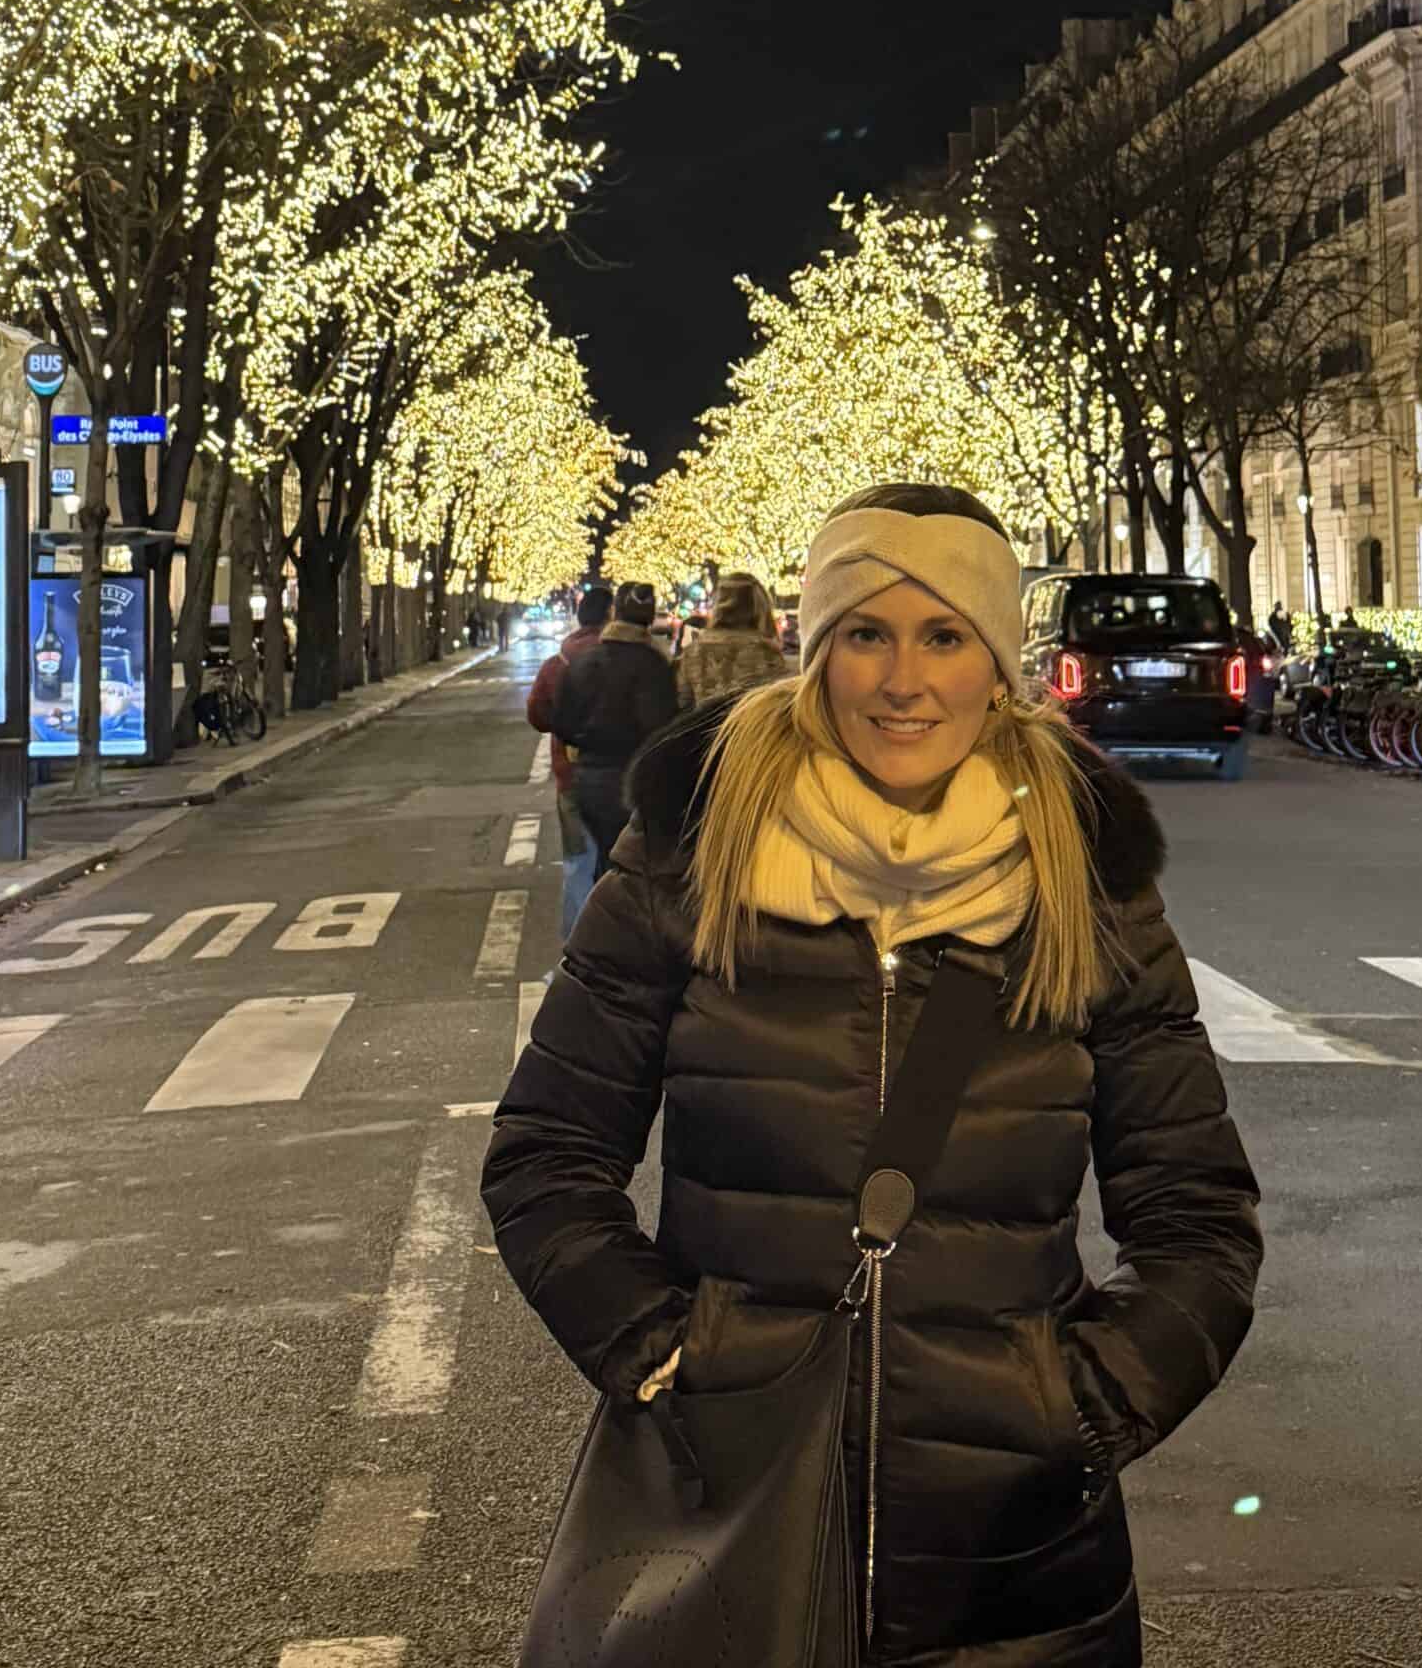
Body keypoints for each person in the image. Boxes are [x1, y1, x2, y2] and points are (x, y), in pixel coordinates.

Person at [485, 483, 1263, 1668]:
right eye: (867, 633)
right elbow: (546, 1153)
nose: (906, 681)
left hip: (1013, 1566)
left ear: (996, 660)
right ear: (818, 648)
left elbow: (1198, 1213)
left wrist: (1083, 1404)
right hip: (729, 1513)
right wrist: (664, 1350)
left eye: (945, 634)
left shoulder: (1083, 874)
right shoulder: (696, 848)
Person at [550, 580, 680, 887]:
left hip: (589, 777)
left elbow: (562, 722)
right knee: (633, 869)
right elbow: (663, 727)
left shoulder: (585, 661)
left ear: (615, 613)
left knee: (606, 862)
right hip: (634, 780)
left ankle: (598, 907)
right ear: (649, 618)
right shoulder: (654, 664)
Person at [526, 583, 615, 941]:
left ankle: (578, 944)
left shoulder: (557, 664)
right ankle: (613, 937)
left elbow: (536, 715)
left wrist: (564, 729)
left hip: (571, 774)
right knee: (616, 861)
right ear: (610, 617)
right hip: (616, 775)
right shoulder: (622, 661)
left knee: (578, 862)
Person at [675, 571, 785, 712]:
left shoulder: (694, 651)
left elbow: (683, 705)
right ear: (758, 606)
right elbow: (775, 709)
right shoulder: (766, 653)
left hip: (705, 725)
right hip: (749, 725)